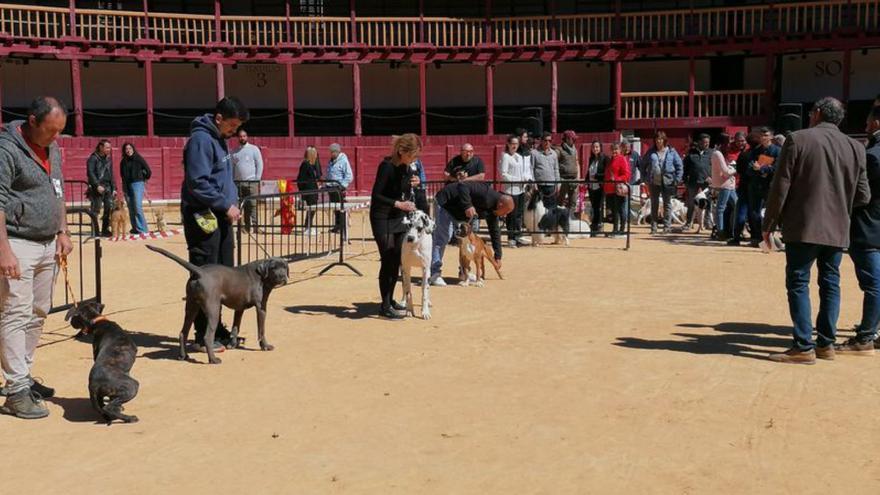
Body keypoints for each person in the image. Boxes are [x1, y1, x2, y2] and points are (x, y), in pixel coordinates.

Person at [763, 97, 869, 364]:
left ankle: (802, 346)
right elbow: (864, 195)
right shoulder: (856, 147)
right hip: (838, 228)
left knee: (799, 282)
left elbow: (781, 187)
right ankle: (826, 344)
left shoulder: (798, 139)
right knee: (830, 283)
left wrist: (769, 224)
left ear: (817, 113)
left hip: (803, 225)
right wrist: (839, 203)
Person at [0, 96, 73, 419]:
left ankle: (23, 376)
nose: (55, 138)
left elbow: (57, 191)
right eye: (50, 131)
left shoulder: (52, 148)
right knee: (15, 313)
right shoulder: (6, 149)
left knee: (39, 311)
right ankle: (15, 390)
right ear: (32, 121)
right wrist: (3, 249)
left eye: (59, 131)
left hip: (46, 242)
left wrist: (63, 231)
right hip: (17, 242)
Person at [181, 96, 248, 352]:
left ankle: (216, 328)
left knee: (223, 274)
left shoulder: (220, 139)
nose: (234, 132)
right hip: (202, 216)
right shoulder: (200, 139)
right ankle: (201, 335)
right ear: (219, 118)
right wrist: (225, 203)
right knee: (206, 275)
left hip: (219, 215)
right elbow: (198, 182)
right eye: (231, 126)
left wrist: (230, 203)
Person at [836, 105, 880, 354]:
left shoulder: (872, 155)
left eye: (868, 120)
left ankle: (865, 337)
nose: (865, 124)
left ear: (875, 123)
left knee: (873, 284)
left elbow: (861, 195)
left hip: (869, 226)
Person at [369, 134, 421, 319]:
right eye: (412, 155)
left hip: (399, 217)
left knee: (396, 259)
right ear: (401, 151)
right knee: (388, 258)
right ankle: (384, 306)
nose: (414, 160)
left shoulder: (407, 168)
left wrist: (415, 183)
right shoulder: (386, 167)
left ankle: (389, 300)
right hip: (381, 217)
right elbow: (376, 195)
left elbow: (404, 192)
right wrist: (398, 204)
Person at [429, 181, 514, 286]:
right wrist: (468, 205)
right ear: (501, 204)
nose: (505, 215)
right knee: (442, 238)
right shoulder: (485, 192)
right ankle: (434, 273)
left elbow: (495, 230)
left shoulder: (494, 209)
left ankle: (464, 273)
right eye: (506, 212)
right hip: (446, 203)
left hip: (459, 213)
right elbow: (462, 185)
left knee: (466, 242)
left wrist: (498, 256)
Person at [746, 127, 781, 247]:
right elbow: (749, 169)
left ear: (771, 136)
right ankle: (757, 238)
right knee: (754, 213)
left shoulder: (777, 151)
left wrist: (762, 168)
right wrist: (757, 170)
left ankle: (770, 239)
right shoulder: (755, 151)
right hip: (755, 186)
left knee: (769, 213)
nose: (763, 138)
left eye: (766, 135)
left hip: (770, 186)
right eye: (761, 135)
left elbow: (778, 169)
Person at [643, 131, 683, 234]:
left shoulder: (671, 151)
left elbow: (679, 166)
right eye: (656, 139)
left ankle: (667, 226)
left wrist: (677, 179)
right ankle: (654, 227)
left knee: (667, 204)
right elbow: (643, 164)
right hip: (653, 182)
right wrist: (644, 178)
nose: (658, 141)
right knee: (654, 204)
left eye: (660, 139)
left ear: (664, 140)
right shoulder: (651, 152)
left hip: (668, 181)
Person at [499, 134, 532, 248]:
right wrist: (517, 180)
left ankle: (518, 235)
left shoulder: (519, 156)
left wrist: (526, 179)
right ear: (508, 144)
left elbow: (524, 171)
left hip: (521, 189)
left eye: (516, 144)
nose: (514, 146)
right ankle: (511, 237)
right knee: (511, 214)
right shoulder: (505, 156)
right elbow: (503, 174)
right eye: (512, 144)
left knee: (519, 214)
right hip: (511, 189)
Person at [231, 129, 264, 233]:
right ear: (238, 138)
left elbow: (260, 164)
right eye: (240, 136)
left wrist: (257, 179)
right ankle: (244, 227)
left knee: (253, 204)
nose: (242, 138)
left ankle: (255, 226)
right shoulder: (233, 152)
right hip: (238, 182)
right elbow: (231, 166)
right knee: (241, 205)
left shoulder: (254, 149)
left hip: (251, 181)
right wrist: (232, 180)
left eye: (244, 136)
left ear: (247, 137)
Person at [728, 131, 754, 246]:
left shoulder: (749, 152)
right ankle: (739, 233)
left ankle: (745, 233)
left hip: (747, 184)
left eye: (742, 141)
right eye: (738, 141)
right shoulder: (731, 152)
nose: (740, 143)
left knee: (749, 211)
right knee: (739, 209)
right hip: (737, 184)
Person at [119, 142, 152, 234]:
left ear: (133, 149)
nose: (128, 150)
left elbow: (148, 171)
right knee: (131, 207)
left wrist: (143, 179)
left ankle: (143, 229)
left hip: (137, 183)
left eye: (130, 148)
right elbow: (122, 175)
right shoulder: (123, 162)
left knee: (137, 206)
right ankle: (135, 228)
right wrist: (124, 187)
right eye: (126, 149)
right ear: (124, 151)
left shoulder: (138, 158)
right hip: (127, 185)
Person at [710, 133, 737, 241]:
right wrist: (735, 169)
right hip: (724, 184)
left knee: (736, 206)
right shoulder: (718, 154)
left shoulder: (718, 153)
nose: (730, 144)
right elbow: (725, 172)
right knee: (721, 208)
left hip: (728, 184)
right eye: (728, 141)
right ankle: (720, 231)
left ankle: (730, 229)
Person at [682, 133, 712, 230]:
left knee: (708, 203)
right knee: (691, 203)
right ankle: (688, 223)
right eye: (704, 142)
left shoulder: (711, 153)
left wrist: (712, 177)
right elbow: (685, 169)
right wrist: (685, 181)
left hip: (707, 183)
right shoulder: (691, 154)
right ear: (699, 142)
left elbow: (715, 167)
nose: (706, 144)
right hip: (693, 182)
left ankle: (707, 223)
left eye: (708, 142)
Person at [603, 142, 632, 238]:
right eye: (613, 149)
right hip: (611, 189)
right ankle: (615, 229)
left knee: (621, 209)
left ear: (620, 150)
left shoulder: (622, 159)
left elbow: (627, 175)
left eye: (616, 149)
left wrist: (616, 179)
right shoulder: (611, 160)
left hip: (618, 188)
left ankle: (622, 229)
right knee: (614, 210)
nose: (614, 151)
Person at [87, 139, 114, 237]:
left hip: (108, 187)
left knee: (108, 209)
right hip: (97, 188)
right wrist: (97, 185)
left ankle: (105, 230)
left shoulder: (108, 159)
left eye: (109, 147)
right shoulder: (93, 158)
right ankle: (95, 230)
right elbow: (90, 173)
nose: (109, 149)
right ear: (101, 147)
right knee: (96, 209)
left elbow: (111, 174)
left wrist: (114, 188)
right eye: (107, 147)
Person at [326, 143, 353, 234]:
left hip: (339, 188)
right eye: (331, 152)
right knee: (335, 208)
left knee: (341, 208)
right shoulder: (331, 161)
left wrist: (342, 186)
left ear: (338, 151)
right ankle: (337, 226)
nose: (332, 153)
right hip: (331, 188)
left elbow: (349, 176)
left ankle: (342, 226)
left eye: (333, 152)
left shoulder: (343, 161)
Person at [585, 140, 609, 235]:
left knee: (599, 207)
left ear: (600, 148)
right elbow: (589, 172)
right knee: (594, 206)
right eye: (594, 147)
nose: (595, 149)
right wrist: (585, 181)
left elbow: (606, 173)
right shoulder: (591, 159)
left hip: (600, 186)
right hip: (591, 186)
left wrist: (597, 176)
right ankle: (594, 226)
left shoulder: (604, 158)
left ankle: (599, 225)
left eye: (597, 147)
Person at [296, 146, 321, 236]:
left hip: (313, 189)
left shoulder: (313, 164)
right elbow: (301, 178)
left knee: (312, 209)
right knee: (311, 208)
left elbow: (318, 175)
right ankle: (307, 226)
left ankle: (308, 225)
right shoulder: (305, 164)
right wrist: (302, 190)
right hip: (308, 190)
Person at [531, 132, 560, 209]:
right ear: (541, 141)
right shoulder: (534, 153)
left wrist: (558, 184)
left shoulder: (554, 154)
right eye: (545, 140)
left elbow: (556, 169)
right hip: (539, 186)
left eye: (549, 141)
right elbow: (531, 169)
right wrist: (534, 184)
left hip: (551, 186)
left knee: (551, 209)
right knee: (539, 209)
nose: (547, 142)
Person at [556, 130, 580, 211]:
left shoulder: (574, 149)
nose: (574, 140)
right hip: (563, 180)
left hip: (573, 179)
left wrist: (578, 178)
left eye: (574, 139)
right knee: (560, 202)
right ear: (566, 139)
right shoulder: (559, 150)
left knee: (573, 202)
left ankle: (570, 220)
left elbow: (577, 163)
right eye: (572, 139)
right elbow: (555, 164)